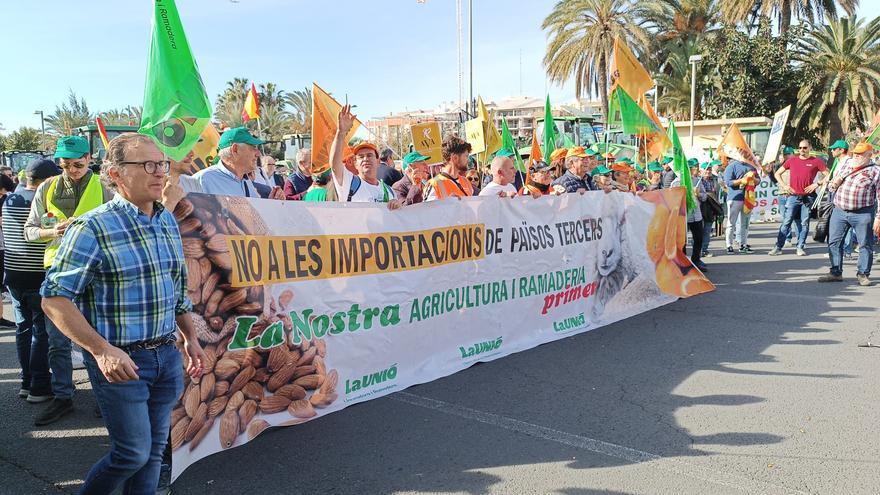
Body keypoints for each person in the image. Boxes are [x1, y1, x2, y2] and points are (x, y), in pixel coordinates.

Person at [41, 133, 205, 494]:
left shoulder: (165, 221)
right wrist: (101, 350)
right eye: (147, 165)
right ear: (115, 174)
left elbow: (176, 291)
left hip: (166, 356)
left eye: (161, 163)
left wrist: (190, 338)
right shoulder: (92, 227)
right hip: (122, 363)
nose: (160, 172)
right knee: (131, 454)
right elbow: (54, 299)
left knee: (151, 455)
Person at [24, 135, 114, 426]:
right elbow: (30, 231)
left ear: (89, 158)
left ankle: (105, 396)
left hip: (98, 270)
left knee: (101, 336)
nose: (72, 170)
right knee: (58, 340)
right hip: (58, 270)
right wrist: (53, 232)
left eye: (77, 164)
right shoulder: (47, 188)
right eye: (65, 165)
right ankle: (63, 396)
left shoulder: (104, 187)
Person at [4, 159, 61, 403]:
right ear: (46, 181)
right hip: (36, 275)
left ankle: (26, 381)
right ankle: (40, 385)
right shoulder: (39, 202)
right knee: (41, 332)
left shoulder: (8, 200)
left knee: (23, 328)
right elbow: (42, 238)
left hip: (13, 275)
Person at [819, 142, 880, 285]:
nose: (857, 156)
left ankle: (863, 274)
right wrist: (834, 183)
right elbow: (833, 182)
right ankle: (835, 272)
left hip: (863, 213)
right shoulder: (847, 164)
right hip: (839, 210)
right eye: (855, 153)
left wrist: (878, 218)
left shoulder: (876, 171)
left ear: (869, 155)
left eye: (860, 154)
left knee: (865, 244)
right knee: (834, 242)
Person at [331, 105, 404, 209]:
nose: (365, 159)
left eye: (369, 155)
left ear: (378, 161)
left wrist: (397, 206)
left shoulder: (389, 191)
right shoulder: (349, 182)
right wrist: (341, 132)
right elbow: (334, 165)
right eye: (361, 157)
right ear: (355, 163)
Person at [769, 140, 827, 256]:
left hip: (808, 197)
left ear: (809, 147)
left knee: (804, 223)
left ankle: (800, 246)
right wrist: (785, 186)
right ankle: (778, 247)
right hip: (793, 197)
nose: (802, 150)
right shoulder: (792, 160)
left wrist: (817, 184)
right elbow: (777, 174)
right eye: (800, 148)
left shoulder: (816, 161)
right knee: (786, 222)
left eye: (804, 148)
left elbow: (829, 175)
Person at [193, 127, 284, 199]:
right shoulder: (202, 180)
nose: (258, 153)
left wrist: (272, 203)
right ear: (235, 150)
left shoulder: (246, 182)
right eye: (253, 147)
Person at [672, 165, 708, 272]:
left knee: (699, 237)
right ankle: (683, 261)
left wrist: (698, 194)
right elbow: (673, 197)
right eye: (693, 168)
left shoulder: (697, 180)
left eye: (696, 168)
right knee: (682, 239)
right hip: (683, 215)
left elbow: (705, 196)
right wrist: (686, 193)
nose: (696, 170)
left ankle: (696, 259)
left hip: (696, 214)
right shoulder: (677, 182)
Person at [722, 157, 758, 254]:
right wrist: (742, 180)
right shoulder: (731, 166)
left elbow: (758, 181)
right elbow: (728, 182)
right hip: (734, 198)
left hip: (748, 199)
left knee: (745, 224)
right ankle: (729, 245)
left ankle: (743, 245)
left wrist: (753, 178)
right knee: (731, 223)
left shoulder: (751, 166)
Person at [424, 136, 474, 201]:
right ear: (455, 158)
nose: (468, 160)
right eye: (466, 156)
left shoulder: (466, 182)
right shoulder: (434, 184)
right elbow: (428, 210)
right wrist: (447, 204)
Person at [698, 162, 720, 257]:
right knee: (699, 230)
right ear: (701, 171)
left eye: (710, 169)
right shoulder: (698, 181)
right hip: (700, 207)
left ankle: (704, 250)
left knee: (707, 229)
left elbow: (716, 193)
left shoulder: (714, 180)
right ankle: (698, 250)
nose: (708, 171)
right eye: (706, 169)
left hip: (710, 207)